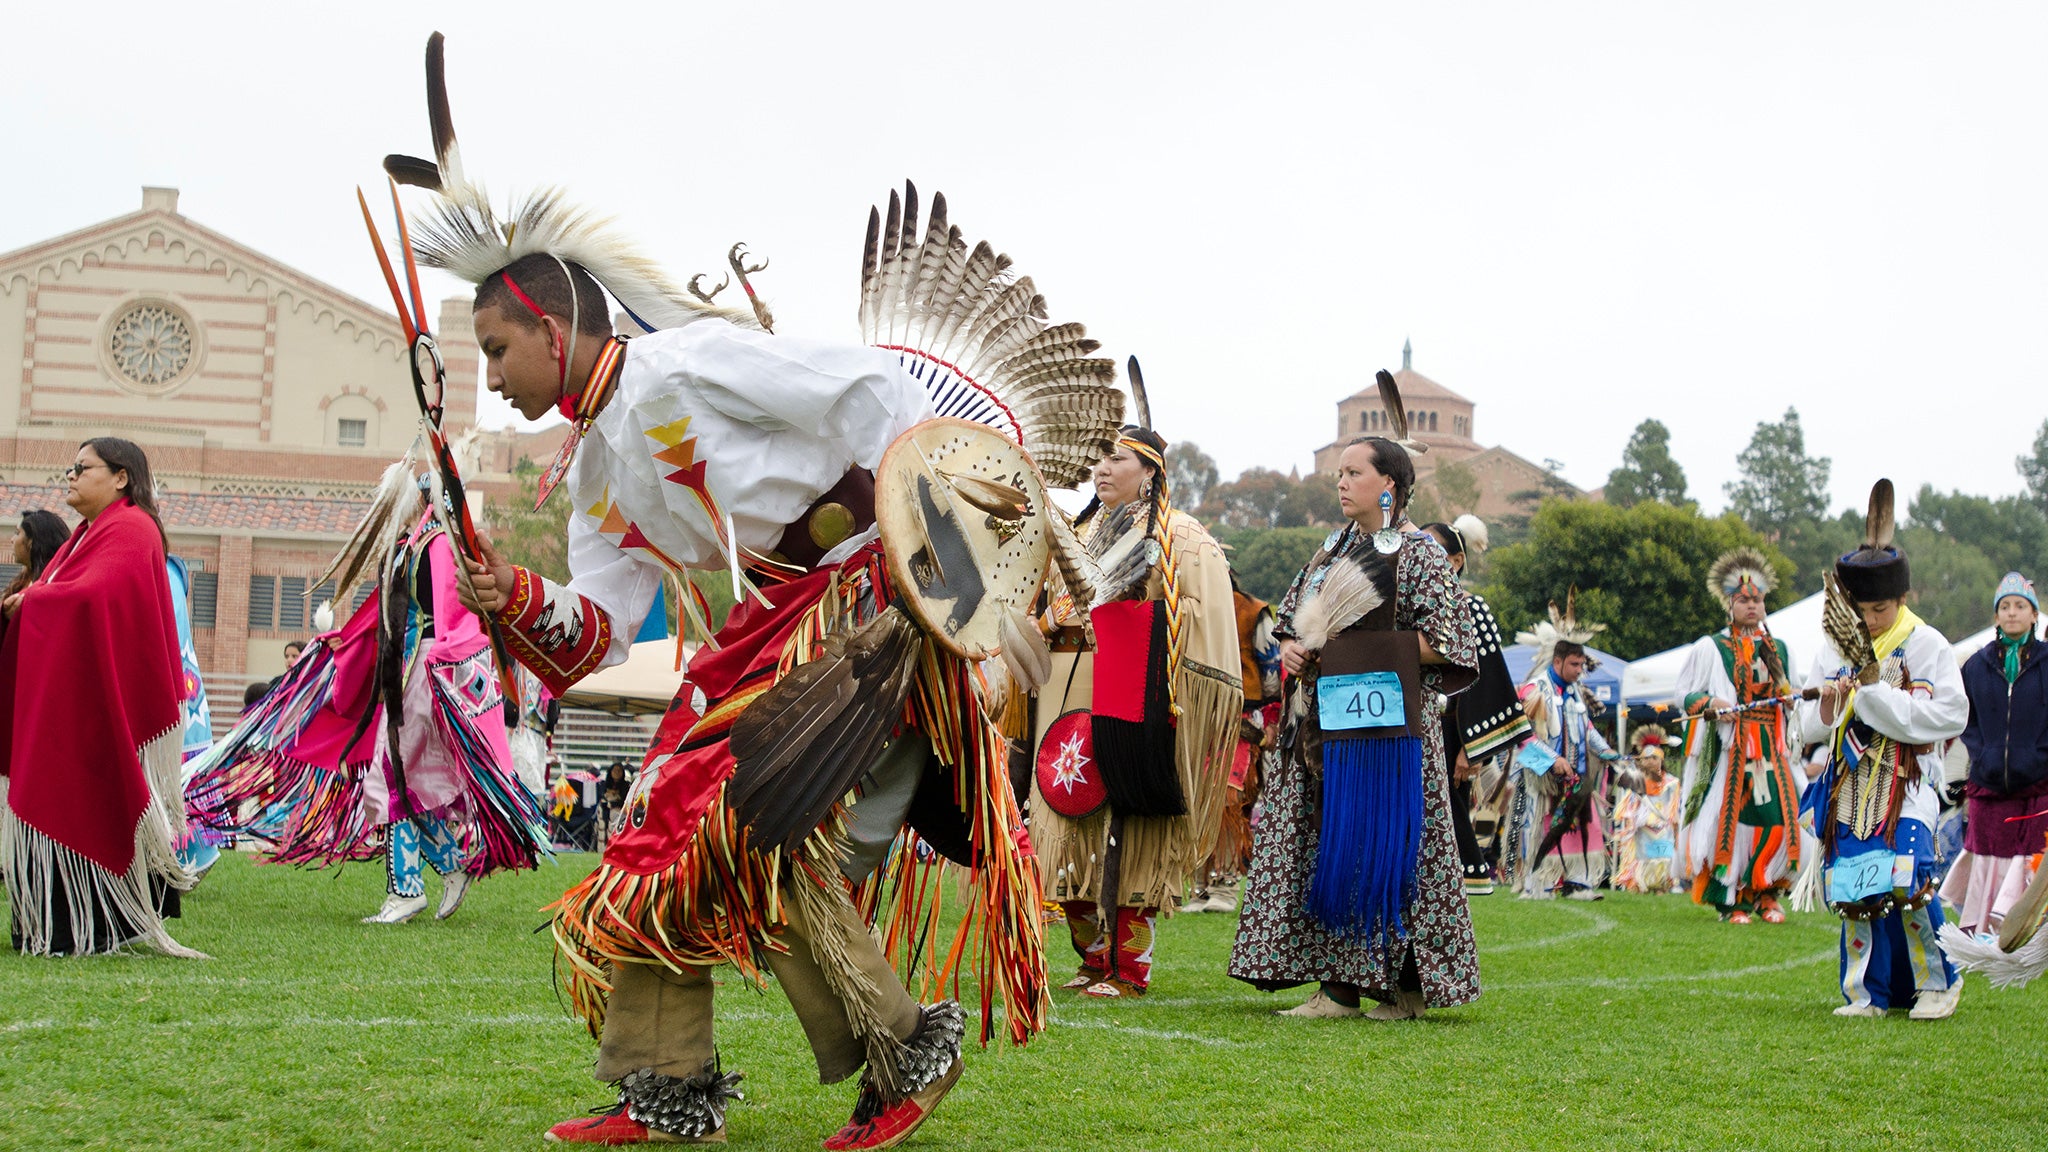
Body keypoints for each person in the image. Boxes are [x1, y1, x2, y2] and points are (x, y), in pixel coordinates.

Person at [380, 44, 1100, 1145]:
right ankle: (662, 1088)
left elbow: (870, 387)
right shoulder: (593, 467)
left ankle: (904, 1048)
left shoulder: (684, 364)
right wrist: (511, 592)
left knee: (768, 840)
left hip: (859, 602)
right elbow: (597, 630)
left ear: (554, 325)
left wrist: (924, 552)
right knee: (659, 841)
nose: (493, 379)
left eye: (497, 350)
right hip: (760, 629)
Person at [1229, 392, 1481, 1021]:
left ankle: (1404, 985)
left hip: (1392, 733)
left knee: (1393, 843)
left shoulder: (1418, 554)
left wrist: (1349, 647)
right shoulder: (1331, 551)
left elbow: (1448, 644)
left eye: (1355, 473)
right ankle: (1338, 986)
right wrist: (1291, 648)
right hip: (1327, 726)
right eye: (1339, 473)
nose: (1341, 483)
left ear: (1389, 484)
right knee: (1328, 840)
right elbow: (1292, 621)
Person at [186, 488, 548, 924]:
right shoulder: (406, 548)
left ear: (423, 503)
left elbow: (454, 618)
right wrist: (350, 642)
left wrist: (437, 668)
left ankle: (411, 889)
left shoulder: (437, 545)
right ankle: (447, 867)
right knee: (399, 782)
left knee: (393, 778)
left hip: (428, 669)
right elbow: (384, 618)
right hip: (406, 668)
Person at [1029, 426, 1241, 990]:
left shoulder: (1182, 537)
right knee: (1065, 812)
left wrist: (1134, 612)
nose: (1100, 469)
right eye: (1096, 458)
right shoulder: (1076, 532)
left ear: (1149, 471)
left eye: (1115, 459)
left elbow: (1203, 615)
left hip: (1131, 689)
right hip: (1065, 688)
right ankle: (1092, 956)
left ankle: (1129, 967)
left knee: (1128, 823)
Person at [0, 438, 202, 957]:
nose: (70, 476)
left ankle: (89, 925)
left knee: (84, 799)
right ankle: (63, 923)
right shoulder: (91, 533)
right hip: (74, 695)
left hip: (99, 698)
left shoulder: (132, 528)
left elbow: (97, 594)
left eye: (81, 468)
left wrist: (34, 597)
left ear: (120, 477)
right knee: (67, 795)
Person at [1799, 479, 1967, 1019]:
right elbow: (1807, 726)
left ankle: (1939, 982)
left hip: (1908, 784)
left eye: (1879, 609)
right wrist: (1830, 703)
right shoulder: (1834, 645)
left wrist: (1872, 697)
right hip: (1849, 784)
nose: (1869, 621)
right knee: (1855, 886)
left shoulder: (1927, 644)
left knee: (1909, 878)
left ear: (1902, 599)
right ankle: (1867, 993)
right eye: (1860, 610)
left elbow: (1950, 714)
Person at [1673, 549, 1801, 924]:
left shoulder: (1781, 651)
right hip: (1729, 750)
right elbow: (1684, 694)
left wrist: (1794, 701)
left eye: (1757, 599)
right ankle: (1732, 899)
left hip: (1770, 749)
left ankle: (1766, 892)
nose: (1751, 605)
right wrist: (1711, 701)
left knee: (1778, 818)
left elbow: (1795, 701)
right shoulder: (1710, 648)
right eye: (1744, 599)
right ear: (1729, 603)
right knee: (1730, 821)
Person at [1421, 517, 1527, 895]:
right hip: (1413, 727)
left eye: (1433, 550)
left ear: (1456, 561)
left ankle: (1453, 889)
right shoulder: (1405, 611)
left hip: (1453, 729)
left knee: (1446, 809)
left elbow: (1486, 682)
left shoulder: (1472, 609)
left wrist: (1472, 748)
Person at [1939, 572, 2048, 939]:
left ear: (2034, 615)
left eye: (2020, 606)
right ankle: (1983, 932)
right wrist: (1979, 755)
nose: (2013, 613)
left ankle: (2031, 936)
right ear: (1996, 617)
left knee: (2033, 861)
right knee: (1988, 859)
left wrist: (2039, 754)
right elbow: (1963, 721)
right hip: (1988, 784)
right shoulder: (1976, 666)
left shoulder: (2047, 663)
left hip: (2037, 785)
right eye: (2005, 607)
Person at [1504, 599, 1622, 900]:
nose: (1579, 670)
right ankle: (1538, 882)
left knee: (1583, 826)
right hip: (1544, 778)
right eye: (1574, 664)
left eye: (1582, 664)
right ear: (1557, 662)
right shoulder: (1534, 690)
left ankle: (1578, 882)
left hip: (1576, 776)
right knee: (1541, 828)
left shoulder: (1576, 694)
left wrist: (1610, 754)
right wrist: (1552, 759)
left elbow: (1587, 730)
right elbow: (1522, 735)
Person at [1183, 573, 1280, 914]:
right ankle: (1198, 884)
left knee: (1229, 797)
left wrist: (1272, 718)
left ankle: (1224, 883)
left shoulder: (1253, 612)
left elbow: (1272, 668)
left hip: (1242, 719)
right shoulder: (1187, 611)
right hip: (1196, 718)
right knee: (1196, 801)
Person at [1610, 726, 1681, 894]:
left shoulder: (1671, 782)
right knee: (1643, 857)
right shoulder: (1635, 781)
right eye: (1647, 758)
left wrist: (1674, 821)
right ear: (1641, 761)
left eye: (1655, 758)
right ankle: (1640, 883)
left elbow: (1674, 806)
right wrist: (1631, 819)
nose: (1651, 761)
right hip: (1642, 825)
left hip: (1663, 826)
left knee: (1662, 857)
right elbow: (1628, 805)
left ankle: (1661, 885)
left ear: (1661, 760)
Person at [4, 510, 69, 599]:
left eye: (17, 533)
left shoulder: (55, 585)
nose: (12, 540)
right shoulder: (22, 582)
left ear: (32, 542)